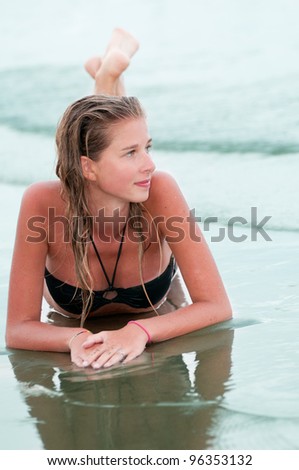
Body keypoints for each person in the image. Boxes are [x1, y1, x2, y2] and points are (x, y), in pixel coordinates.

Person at [5, 28, 232, 370]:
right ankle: (107, 76)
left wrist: (139, 330)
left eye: (148, 147)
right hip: (87, 185)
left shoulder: (159, 189)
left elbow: (217, 306)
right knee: (101, 143)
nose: (150, 164)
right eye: (132, 153)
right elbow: (17, 329)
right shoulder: (42, 203)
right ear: (87, 167)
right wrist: (74, 337)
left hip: (153, 298)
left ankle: (108, 78)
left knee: (109, 138)